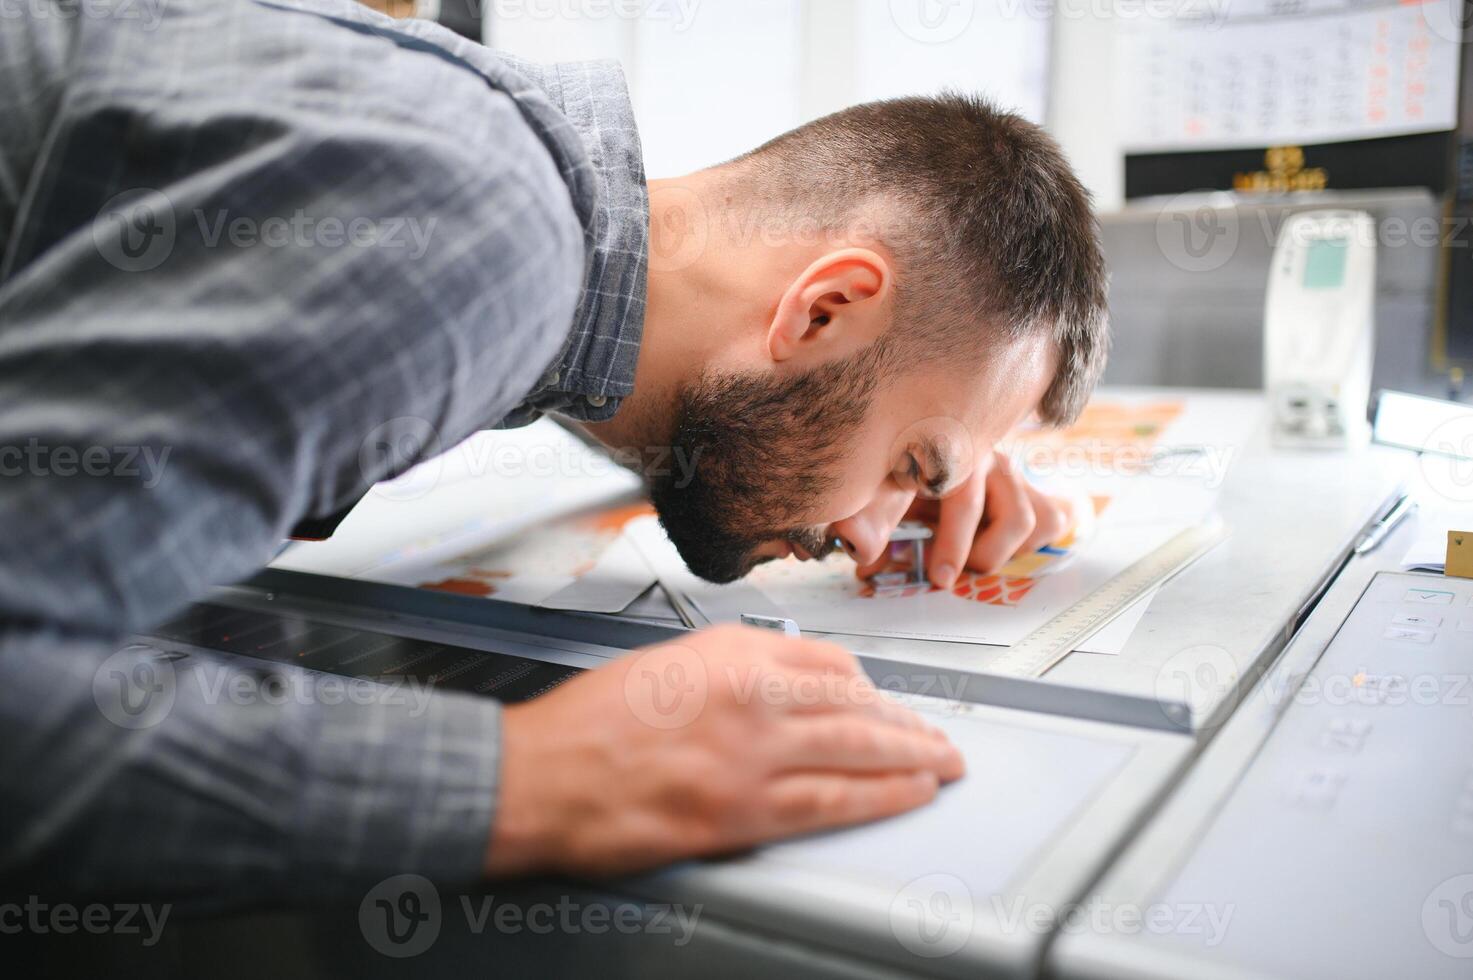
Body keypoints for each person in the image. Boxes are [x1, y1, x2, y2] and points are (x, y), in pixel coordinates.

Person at [0, 0, 1107, 905]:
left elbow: (593, 353)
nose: (872, 529)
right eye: (911, 468)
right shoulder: (478, 228)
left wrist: (894, 440)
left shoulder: (515, 193)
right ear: (821, 313)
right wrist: (531, 780)